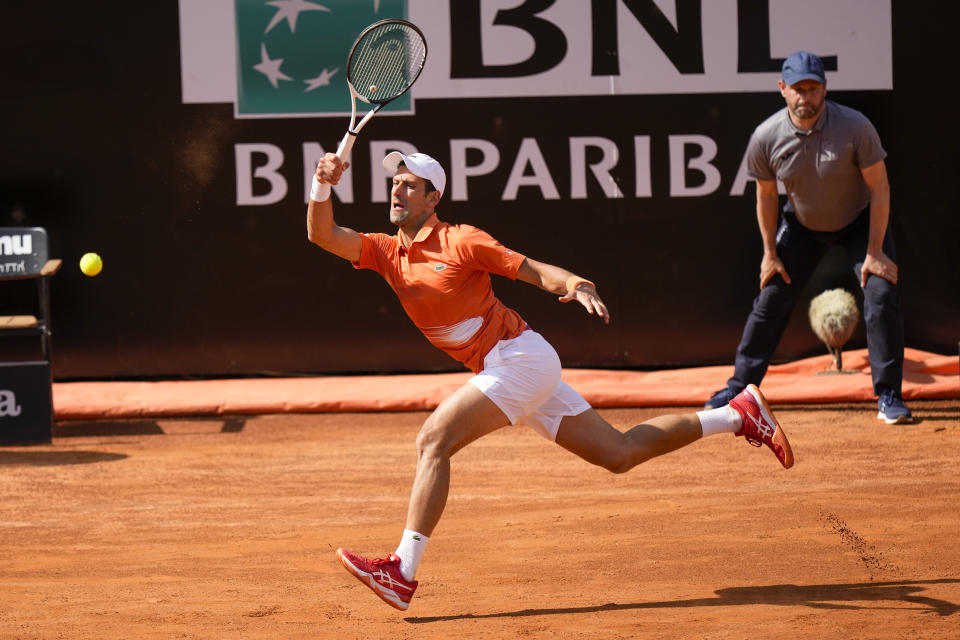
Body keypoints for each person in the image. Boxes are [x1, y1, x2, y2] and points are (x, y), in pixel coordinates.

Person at [308, 149, 794, 611]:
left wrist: (576, 284)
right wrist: (321, 184)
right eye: (394, 183)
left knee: (434, 439)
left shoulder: (462, 240)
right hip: (505, 368)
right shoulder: (385, 251)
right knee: (618, 454)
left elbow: (535, 271)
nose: (397, 191)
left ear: (433, 198)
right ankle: (738, 415)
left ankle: (402, 572)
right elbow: (322, 235)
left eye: (409, 185)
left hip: (520, 360)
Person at [705, 51, 912, 425]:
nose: (806, 97)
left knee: (881, 295)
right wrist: (770, 253)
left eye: (813, 88)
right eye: (798, 89)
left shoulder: (855, 127)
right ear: (783, 89)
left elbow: (880, 188)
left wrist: (876, 250)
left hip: (859, 223)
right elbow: (767, 196)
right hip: (801, 225)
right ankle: (739, 389)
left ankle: (889, 396)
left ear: (824, 89)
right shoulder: (766, 137)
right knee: (771, 296)